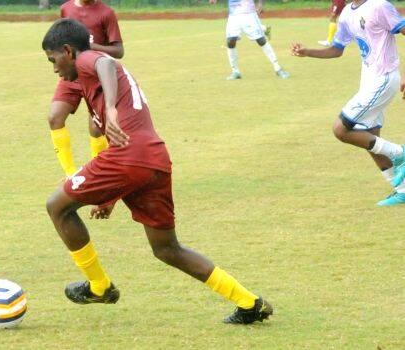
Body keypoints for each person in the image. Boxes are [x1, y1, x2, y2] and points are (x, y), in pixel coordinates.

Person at [42, 18, 273, 324]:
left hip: (127, 155)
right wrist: (109, 196)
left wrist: (110, 108)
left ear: (68, 51)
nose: (55, 69)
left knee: (57, 206)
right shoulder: (89, 84)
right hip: (154, 159)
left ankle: (100, 287)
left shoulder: (88, 59)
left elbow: (105, 64)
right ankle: (249, 302)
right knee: (167, 249)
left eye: (53, 60)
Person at [291, 0, 405, 206]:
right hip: (369, 80)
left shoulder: (379, 6)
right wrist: (307, 52)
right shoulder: (345, 14)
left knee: (340, 129)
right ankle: (402, 189)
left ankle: (400, 153)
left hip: (384, 78)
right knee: (368, 136)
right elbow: (336, 49)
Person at [49, 0, 124, 176]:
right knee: (54, 117)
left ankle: (99, 173)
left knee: (96, 128)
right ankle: (71, 174)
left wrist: (88, 47)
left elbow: (119, 51)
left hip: (96, 77)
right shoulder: (65, 9)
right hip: (71, 75)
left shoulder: (106, 13)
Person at [210, 0, 290, 80]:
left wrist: (260, 4)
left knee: (261, 41)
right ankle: (235, 71)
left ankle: (278, 69)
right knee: (230, 41)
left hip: (249, 14)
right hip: (233, 15)